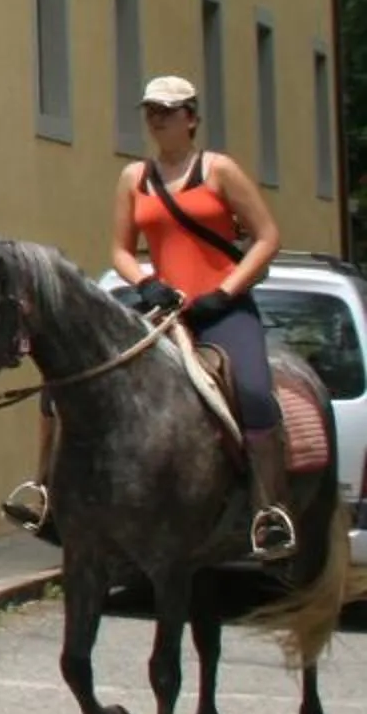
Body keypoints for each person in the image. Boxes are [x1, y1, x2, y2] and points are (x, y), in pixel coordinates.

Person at [103, 73, 295, 559]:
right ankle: (52, 493)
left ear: (191, 118)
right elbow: (120, 251)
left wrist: (226, 291)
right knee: (90, 371)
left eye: (167, 111)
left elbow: (267, 237)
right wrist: (145, 283)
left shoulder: (219, 170)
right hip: (165, 309)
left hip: (221, 309)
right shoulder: (134, 178)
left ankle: (269, 511)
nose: (157, 119)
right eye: (150, 111)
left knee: (252, 390)